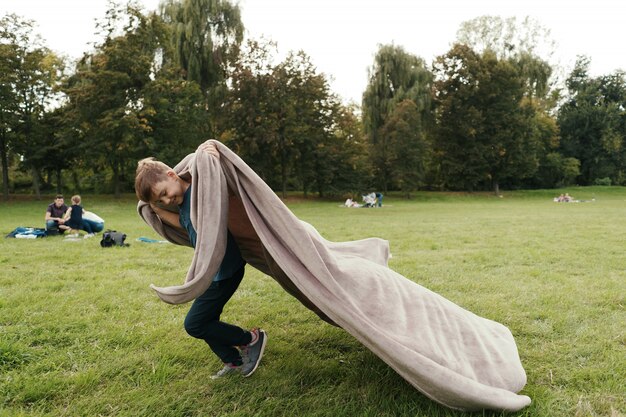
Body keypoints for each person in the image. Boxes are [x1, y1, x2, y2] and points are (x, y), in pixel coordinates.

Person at [134, 142, 267, 379]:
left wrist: (207, 152)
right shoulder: (182, 204)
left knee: (195, 324)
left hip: (224, 271)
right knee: (207, 321)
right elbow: (185, 225)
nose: (167, 200)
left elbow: (210, 168)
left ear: (172, 175)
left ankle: (251, 339)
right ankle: (233, 360)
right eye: (160, 200)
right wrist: (158, 211)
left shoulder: (199, 189)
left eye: (165, 193)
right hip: (212, 272)